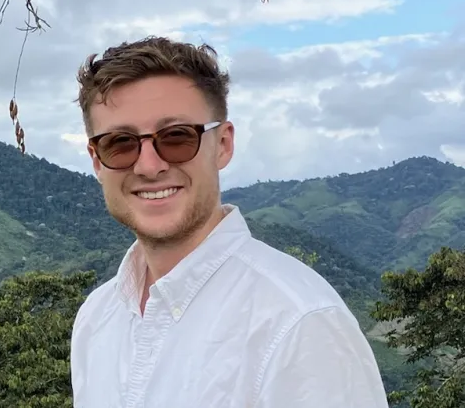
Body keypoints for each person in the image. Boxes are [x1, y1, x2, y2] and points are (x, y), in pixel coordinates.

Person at [70, 36, 389, 408]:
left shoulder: (297, 322)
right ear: (96, 160)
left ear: (222, 144)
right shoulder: (97, 318)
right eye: (120, 143)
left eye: (176, 137)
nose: (149, 165)